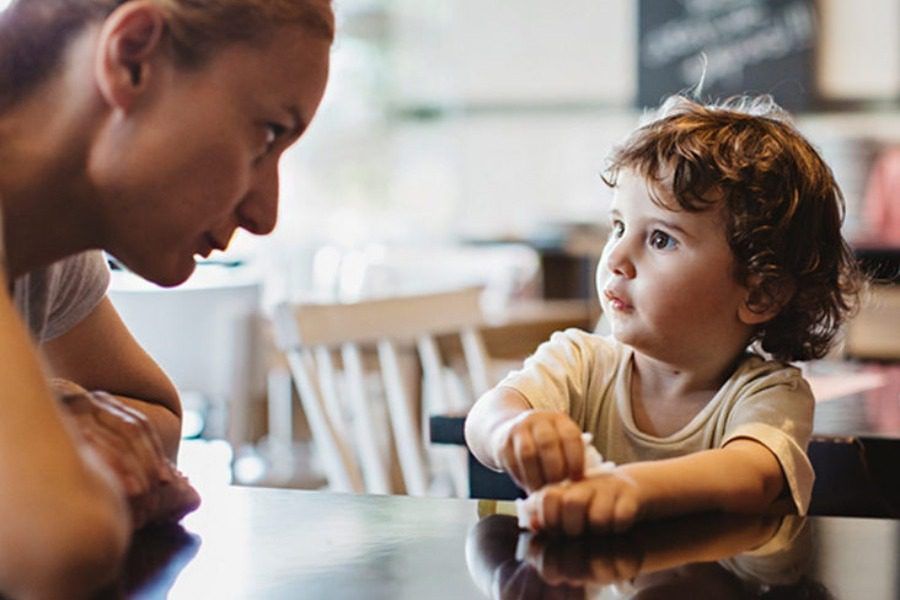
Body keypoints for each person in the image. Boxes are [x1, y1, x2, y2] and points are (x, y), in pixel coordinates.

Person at [0, 0, 333, 596]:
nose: (265, 214)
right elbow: (59, 542)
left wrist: (51, 412)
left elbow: (157, 422)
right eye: (267, 134)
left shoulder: (47, 246)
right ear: (132, 59)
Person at [465, 95, 862, 537]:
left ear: (760, 292)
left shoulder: (768, 395)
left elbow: (748, 476)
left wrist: (626, 490)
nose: (616, 256)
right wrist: (513, 430)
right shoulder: (580, 362)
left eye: (660, 239)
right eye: (618, 227)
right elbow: (485, 416)